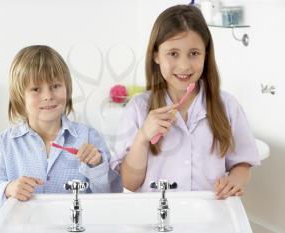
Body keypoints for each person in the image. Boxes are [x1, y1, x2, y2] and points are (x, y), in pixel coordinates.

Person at [110, 5, 260, 199]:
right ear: (156, 55)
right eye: (173, 53)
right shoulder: (137, 109)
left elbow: (242, 164)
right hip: (156, 220)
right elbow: (129, 183)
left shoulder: (228, 105)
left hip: (210, 215)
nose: (184, 65)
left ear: (206, 55)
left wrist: (233, 182)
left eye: (194, 53)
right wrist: (142, 137)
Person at [0, 45, 122, 220]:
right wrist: (8, 190)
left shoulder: (89, 138)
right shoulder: (4, 145)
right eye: (35, 89)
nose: (48, 96)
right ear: (20, 95)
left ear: (67, 89)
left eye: (55, 86)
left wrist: (97, 166)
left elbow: (110, 199)